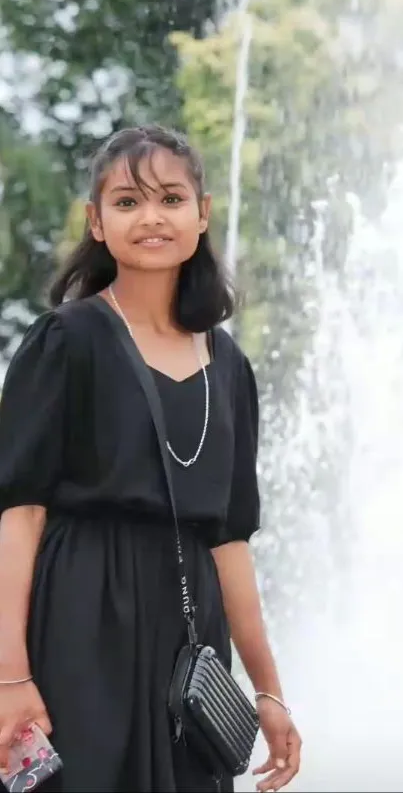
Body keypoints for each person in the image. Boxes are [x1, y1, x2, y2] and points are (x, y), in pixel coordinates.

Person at [0, 125, 301, 793]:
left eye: (169, 197)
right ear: (96, 222)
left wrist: (269, 691)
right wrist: (10, 676)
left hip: (188, 638)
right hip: (80, 615)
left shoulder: (228, 368)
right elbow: (17, 516)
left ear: (202, 212)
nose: (151, 217)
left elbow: (228, 541)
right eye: (127, 202)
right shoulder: (65, 340)